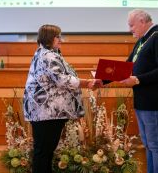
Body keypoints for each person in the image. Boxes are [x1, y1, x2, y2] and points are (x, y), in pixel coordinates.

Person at [23, 24, 102, 173]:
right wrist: (87, 83)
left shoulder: (47, 53)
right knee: (43, 152)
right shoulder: (47, 55)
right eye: (58, 36)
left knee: (45, 152)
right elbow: (61, 79)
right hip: (46, 112)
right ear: (50, 38)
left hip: (47, 113)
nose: (61, 40)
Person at [120, 9, 158, 173]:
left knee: (156, 146)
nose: (130, 29)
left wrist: (137, 79)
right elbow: (127, 66)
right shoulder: (143, 39)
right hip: (142, 101)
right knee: (149, 145)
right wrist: (104, 76)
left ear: (142, 21)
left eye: (132, 25)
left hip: (154, 102)